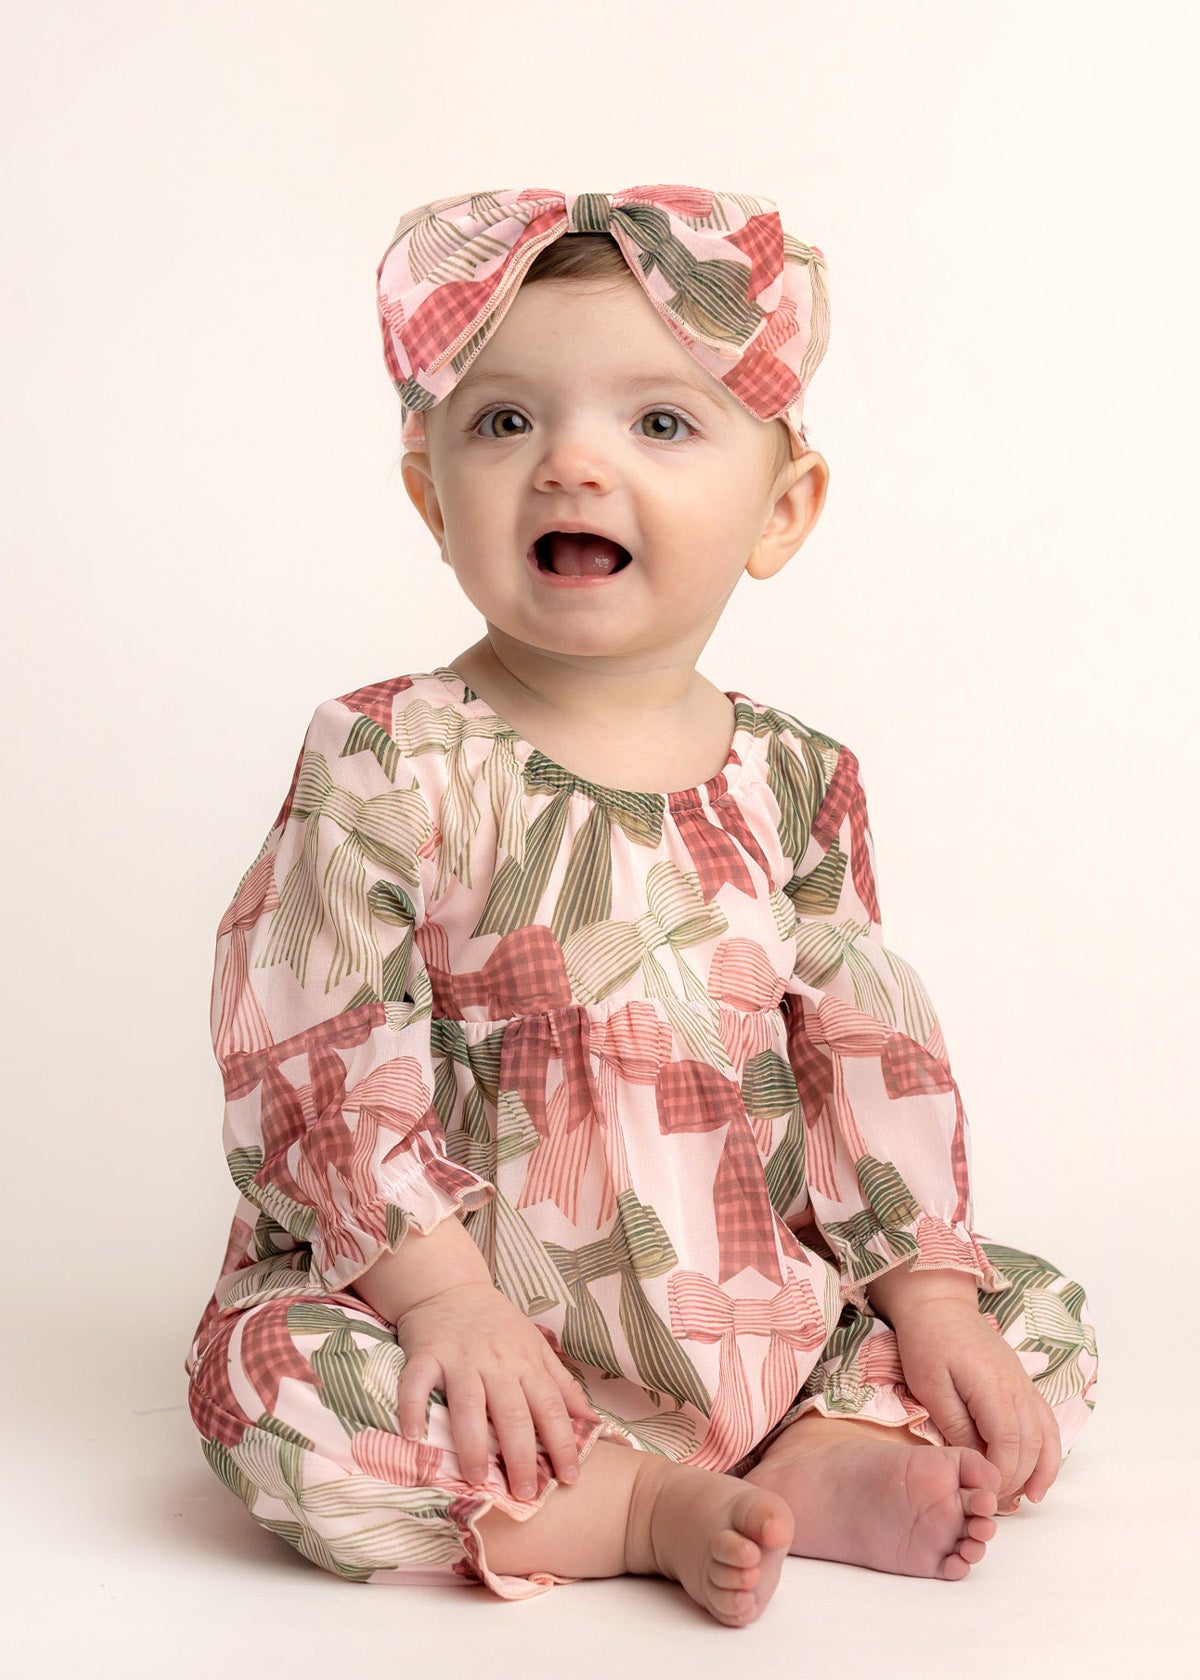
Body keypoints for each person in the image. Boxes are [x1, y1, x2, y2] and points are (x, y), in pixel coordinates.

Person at [184, 185, 1098, 1628]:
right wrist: (440, 1303)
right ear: (431, 493)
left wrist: (923, 1303)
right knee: (268, 1394)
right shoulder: (393, 756)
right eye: (504, 424)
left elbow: (864, 1047)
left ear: (779, 510)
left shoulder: (795, 777)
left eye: (660, 424)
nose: (571, 467)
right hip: (476, 1330)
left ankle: (820, 1439)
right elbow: (315, 1040)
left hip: (749, 1308)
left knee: (1025, 1311)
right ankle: (626, 1503)